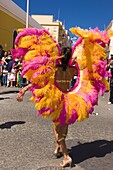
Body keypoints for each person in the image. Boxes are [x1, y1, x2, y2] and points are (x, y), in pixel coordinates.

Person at [16, 47, 73, 168]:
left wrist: (24, 89)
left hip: (56, 100)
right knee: (61, 126)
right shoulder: (72, 70)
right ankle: (58, 147)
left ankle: (66, 157)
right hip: (68, 99)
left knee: (59, 130)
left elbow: (39, 81)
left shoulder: (53, 69)